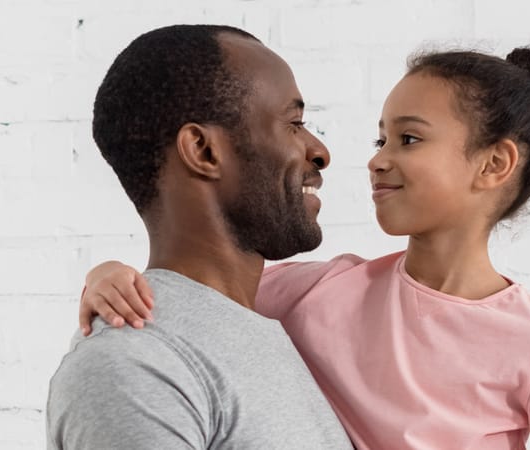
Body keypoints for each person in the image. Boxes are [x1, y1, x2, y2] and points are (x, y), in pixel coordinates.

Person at [80, 46, 530, 449]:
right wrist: (107, 275)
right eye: (381, 141)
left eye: (410, 139)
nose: (377, 160)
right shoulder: (322, 292)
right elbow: (192, 297)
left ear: (494, 164)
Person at [45, 24, 353, 450]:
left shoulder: (273, 328)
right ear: (204, 151)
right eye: (294, 123)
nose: (319, 151)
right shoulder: (134, 364)